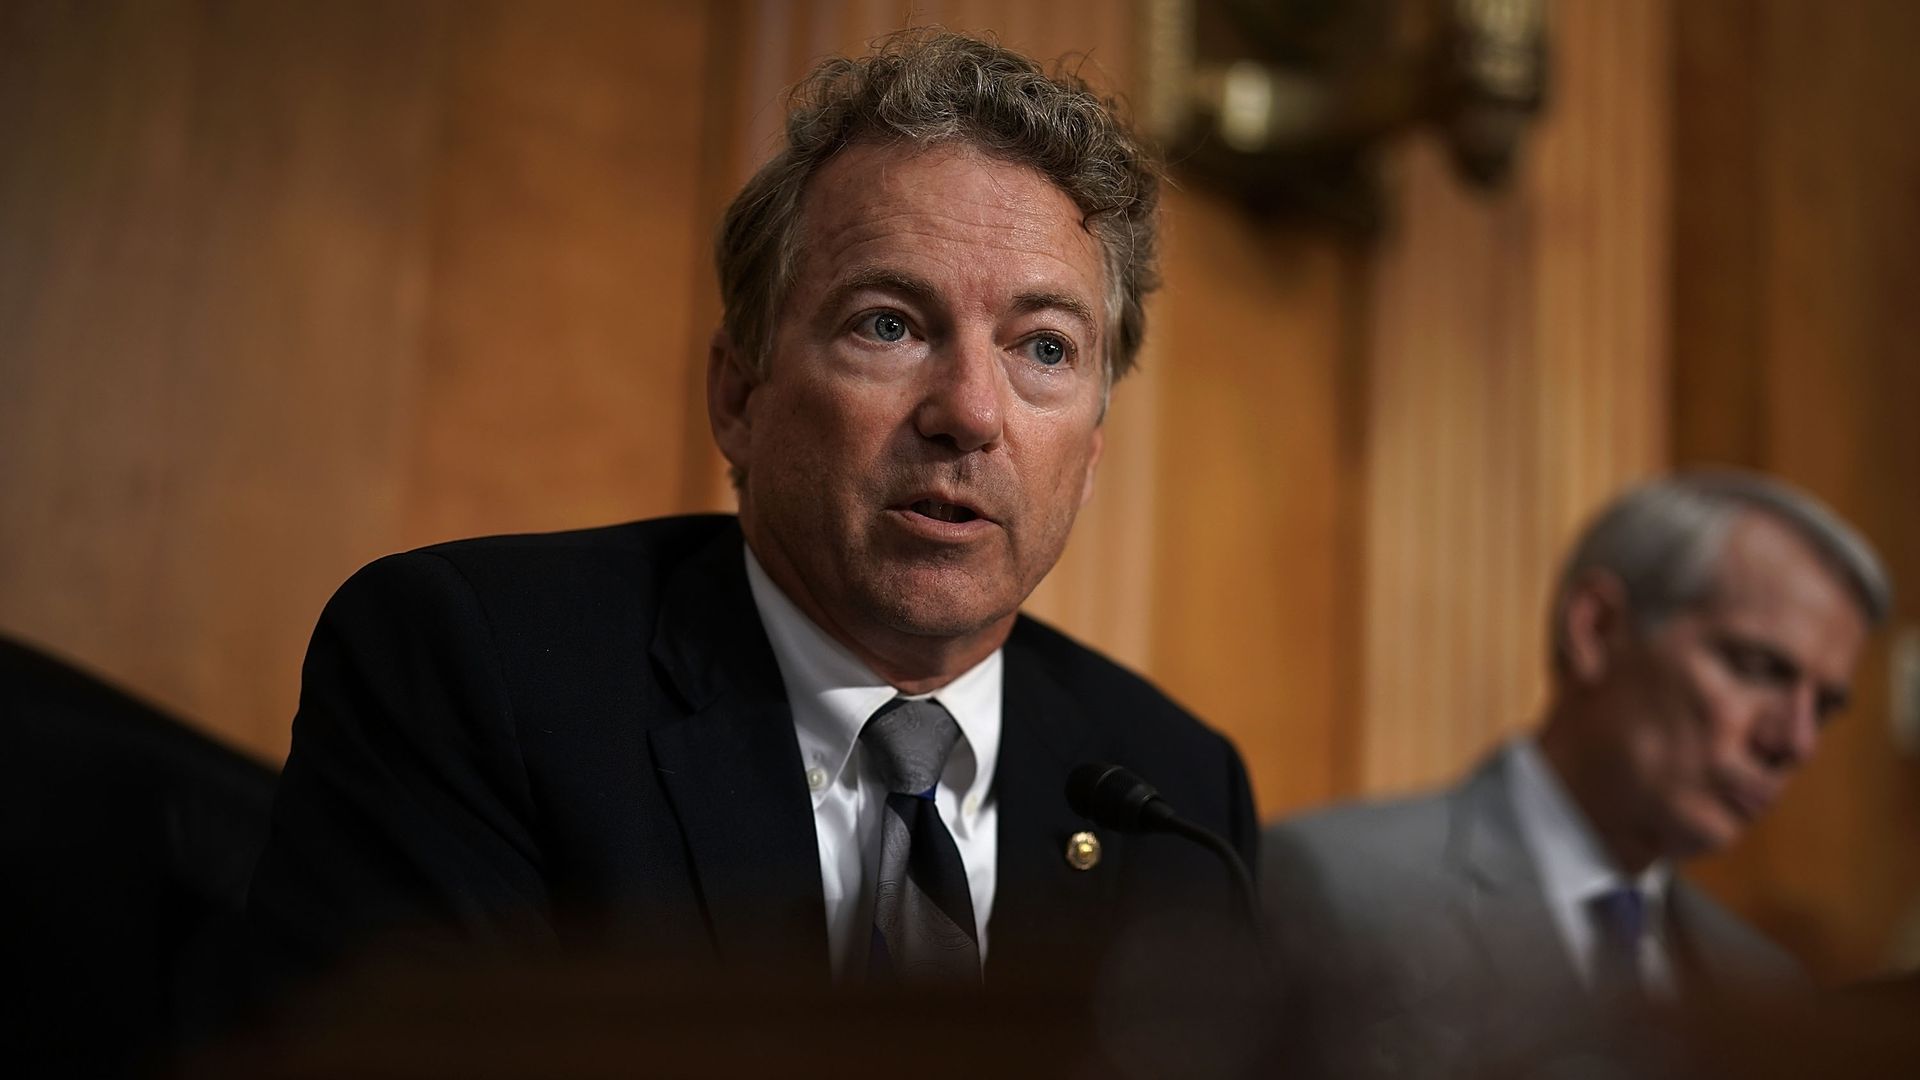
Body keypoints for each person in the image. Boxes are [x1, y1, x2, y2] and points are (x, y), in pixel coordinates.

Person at [247, 31, 1256, 991]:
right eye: (890, 324)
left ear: (1089, 451)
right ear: (739, 396)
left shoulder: (1173, 792)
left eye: (1043, 347)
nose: (970, 413)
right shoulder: (481, 673)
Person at [1262, 470, 1891, 1076]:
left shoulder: (1764, 988)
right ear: (1595, 629)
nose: (1796, 742)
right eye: (1758, 667)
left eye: (1825, 707)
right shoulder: (1333, 892)